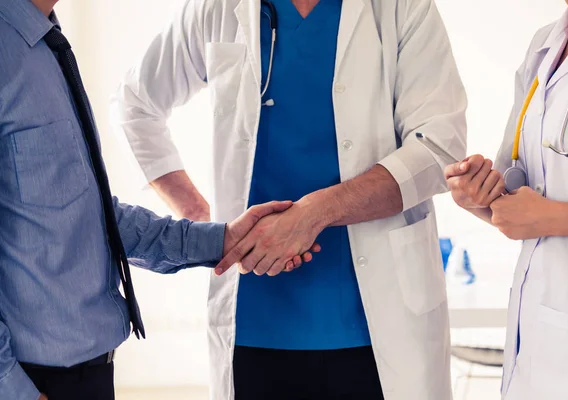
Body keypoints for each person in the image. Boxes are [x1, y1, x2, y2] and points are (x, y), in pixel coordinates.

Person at [112, 0, 467, 398]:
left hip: (377, 326)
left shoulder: (402, 8)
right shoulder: (217, 7)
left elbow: (438, 148)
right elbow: (135, 104)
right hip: (255, 321)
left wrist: (314, 213)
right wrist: (201, 221)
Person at [0, 1, 314, 399]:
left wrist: (221, 239)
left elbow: (91, 216)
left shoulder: (46, 44)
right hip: (34, 381)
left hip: (89, 373)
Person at [445, 1, 568, 399]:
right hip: (537, 345)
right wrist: (475, 196)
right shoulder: (545, 46)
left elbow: (542, 214)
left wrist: (554, 218)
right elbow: (517, 197)